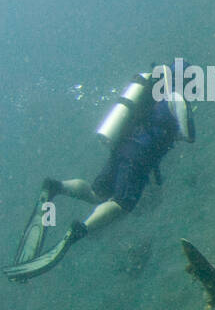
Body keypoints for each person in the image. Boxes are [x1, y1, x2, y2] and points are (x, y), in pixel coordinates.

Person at [6, 63, 195, 282]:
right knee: (122, 203)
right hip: (141, 156)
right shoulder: (176, 98)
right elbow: (189, 135)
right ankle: (79, 230)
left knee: (98, 193)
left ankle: (56, 187)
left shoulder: (148, 95)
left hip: (121, 147)